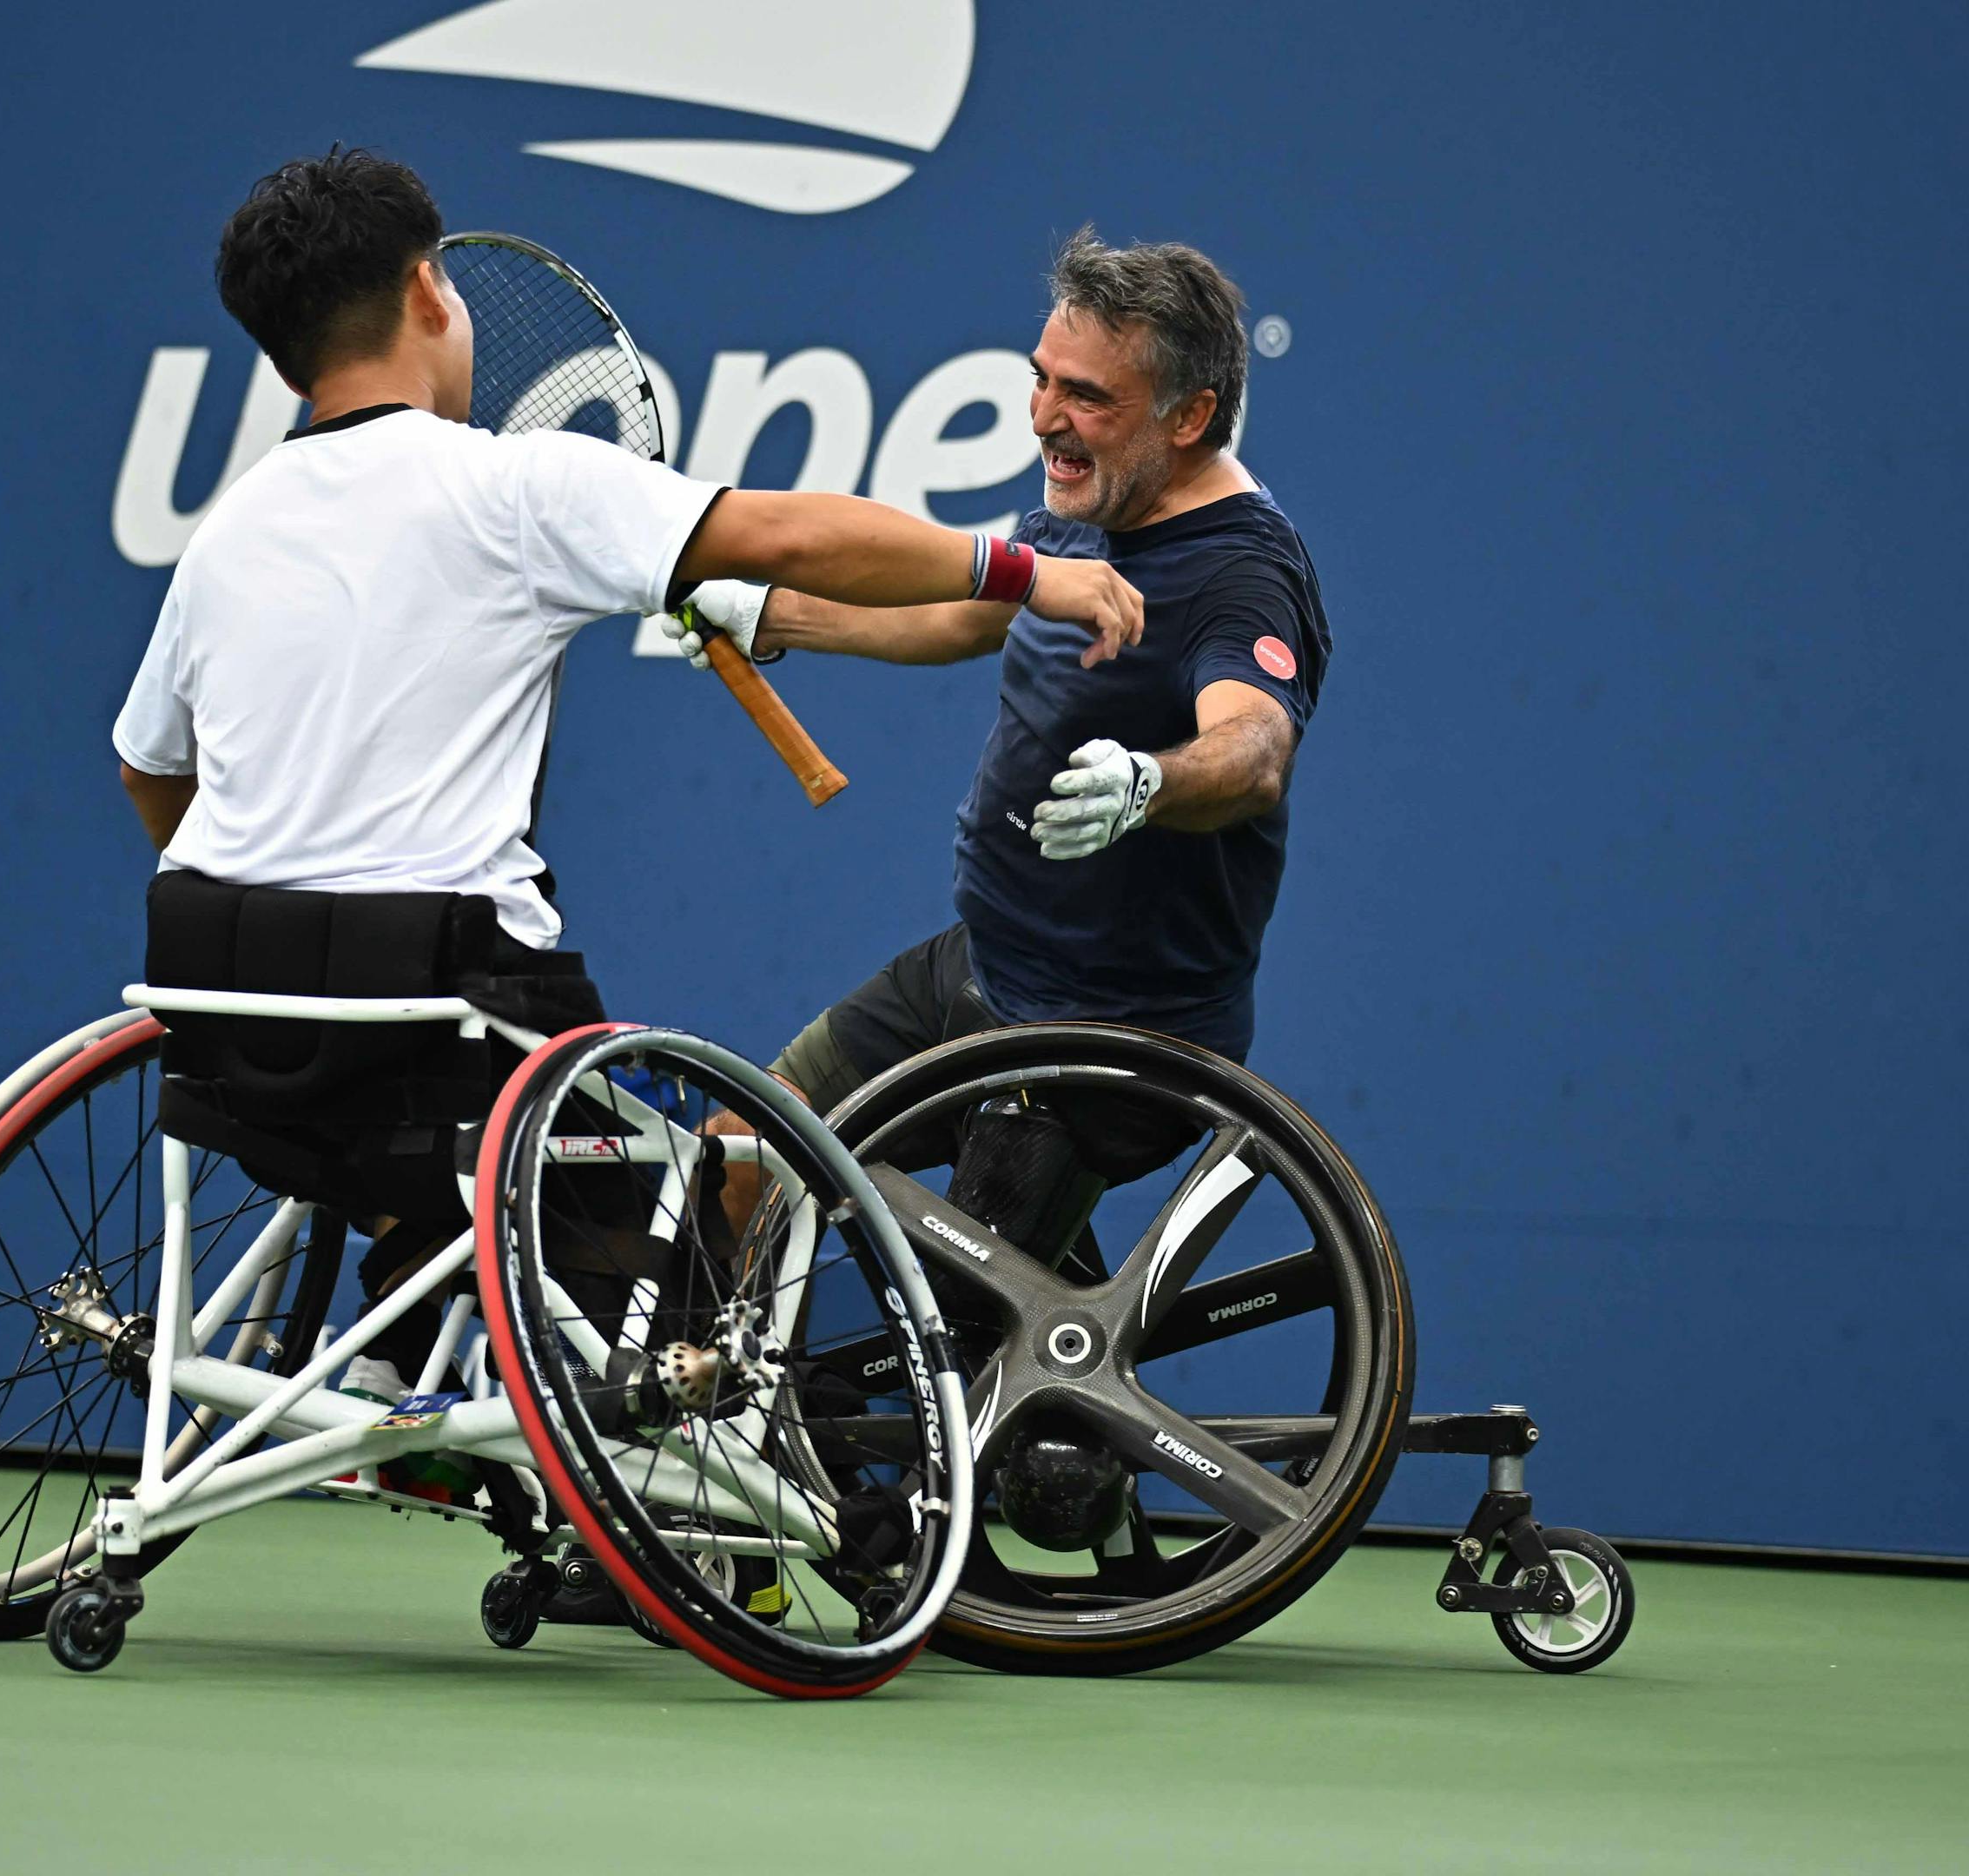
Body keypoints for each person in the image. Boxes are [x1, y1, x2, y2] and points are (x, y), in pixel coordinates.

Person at [110, 150, 1144, 1463]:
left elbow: (152, 765)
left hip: (229, 1030)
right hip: (455, 1024)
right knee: (689, 1201)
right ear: (432, 290)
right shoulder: (516, 483)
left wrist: (283, 917)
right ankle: (689, 1483)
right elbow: (781, 534)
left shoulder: (228, 534)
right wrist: (1020, 569)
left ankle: (417, 1286)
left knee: (435, 1157)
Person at [668, 229, 1328, 1192]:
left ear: (1191, 417)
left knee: (981, 1339)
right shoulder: (1094, 495)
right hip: (978, 968)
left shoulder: (1243, 572)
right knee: (738, 1167)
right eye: (1043, 380)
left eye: (1087, 397)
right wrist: (775, 614)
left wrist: (1151, 783)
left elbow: (1255, 746)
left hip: (1109, 1049)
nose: (1044, 419)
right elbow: (967, 615)